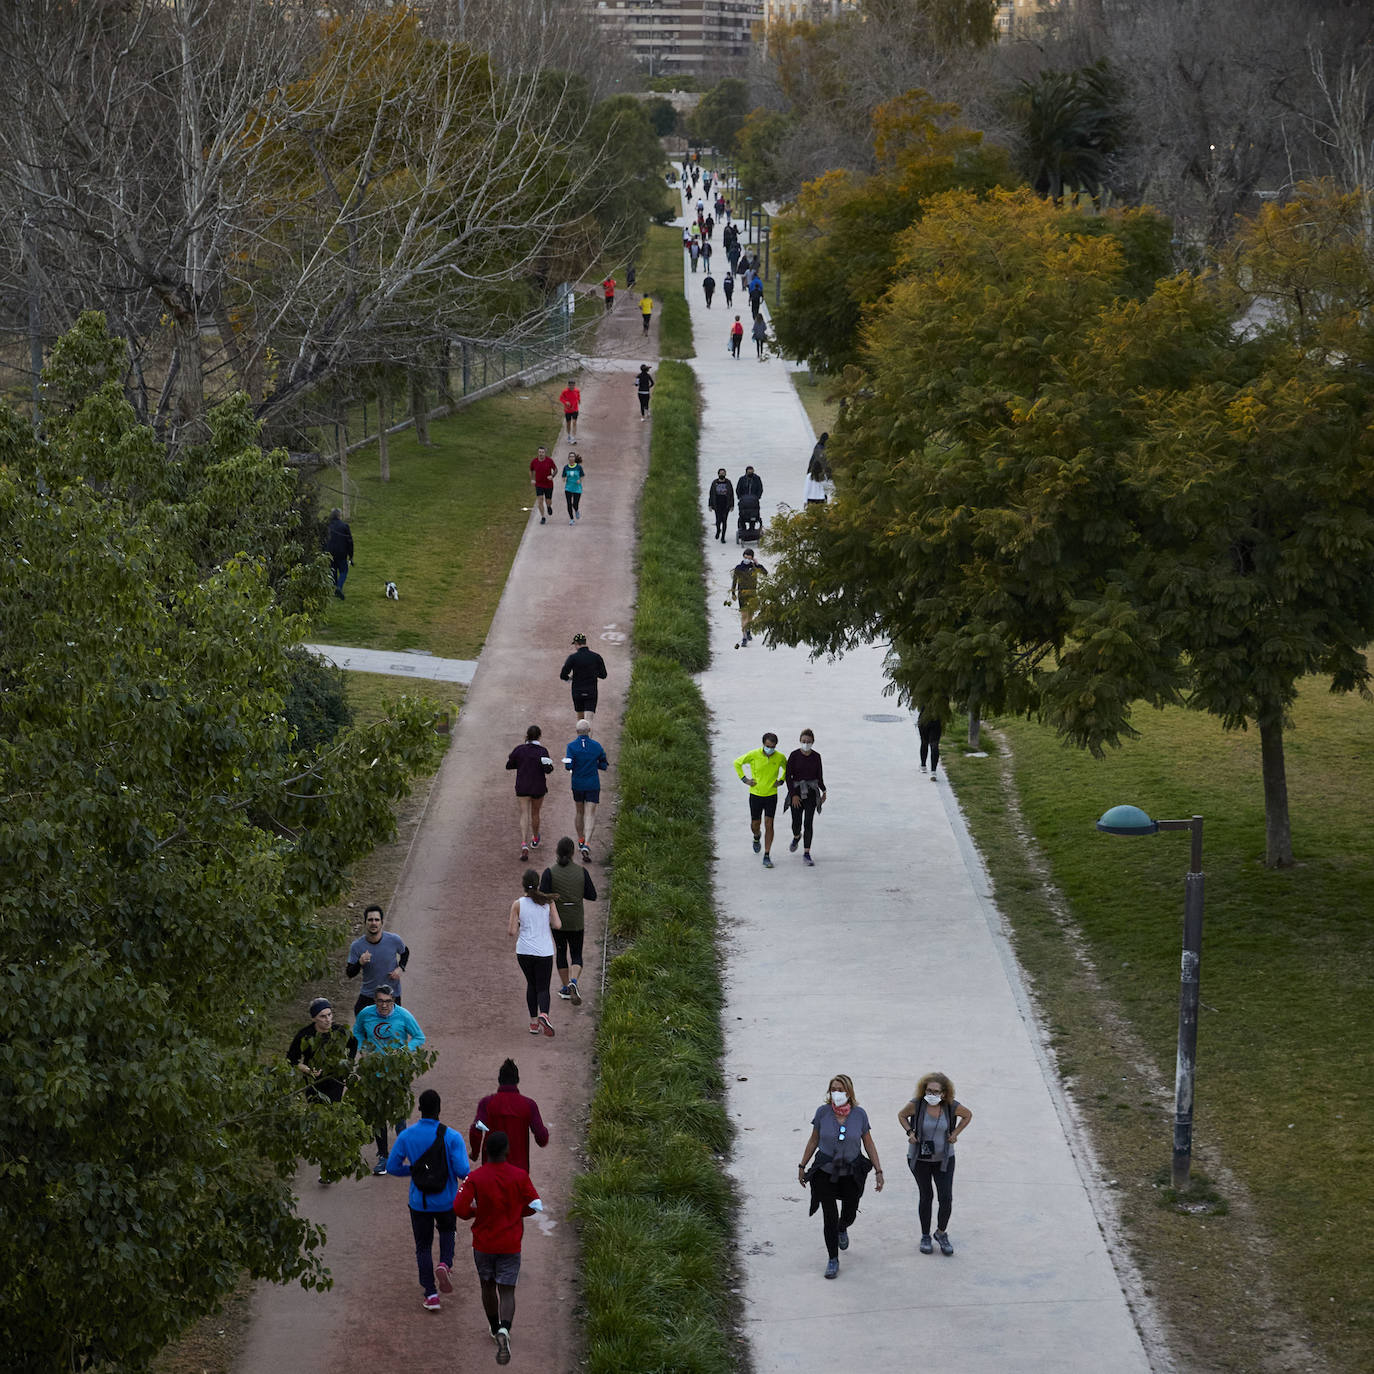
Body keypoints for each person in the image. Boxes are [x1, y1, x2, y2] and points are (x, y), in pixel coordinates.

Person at [453, 1129, 542, 1365]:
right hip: (510, 1243)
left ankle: (493, 1327)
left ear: (486, 1152)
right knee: (507, 1290)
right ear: (507, 1151)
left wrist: (476, 1212)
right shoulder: (520, 1176)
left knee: (487, 1285)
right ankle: (505, 1329)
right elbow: (534, 1205)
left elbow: (460, 1208)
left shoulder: (475, 1178)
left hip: (483, 1243)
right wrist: (516, 1212)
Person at [388, 1088, 471, 1311]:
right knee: (447, 1231)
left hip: (419, 1201)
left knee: (423, 1247)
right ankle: (445, 1263)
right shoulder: (452, 1136)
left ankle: (431, 1294)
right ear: (439, 1109)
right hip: (446, 1200)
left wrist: (414, 1171)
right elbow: (463, 1170)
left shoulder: (406, 1136)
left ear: (420, 1109)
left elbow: (391, 1167)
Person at [798, 1074, 884, 1279]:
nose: (836, 1093)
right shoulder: (822, 1113)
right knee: (829, 1216)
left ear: (849, 1092)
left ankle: (843, 1227)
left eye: (841, 1089)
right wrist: (802, 1165)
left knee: (849, 1212)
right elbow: (813, 1140)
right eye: (833, 1089)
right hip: (825, 1172)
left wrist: (879, 1171)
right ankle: (832, 1259)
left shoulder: (859, 1115)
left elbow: (868, 1143)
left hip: (850, 1172)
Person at [350, 985, 426, 1173]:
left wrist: (403, 1051)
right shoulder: (366, 1014)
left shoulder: (403, 1015)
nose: (384, 1006)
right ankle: (383, 1156)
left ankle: (404, 1154)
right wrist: (362, 1047)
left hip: (397, 1074)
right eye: (380, 1001)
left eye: (388, 1001)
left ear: (393, 1001)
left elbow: (419, 1037)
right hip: (373, 1073)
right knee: (378, 1115)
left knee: (399, 1116)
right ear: (374, 1001)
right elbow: (357, 1031)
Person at [898, 1072, 973, 1256]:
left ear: (944, 1093)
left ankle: (941, 1232)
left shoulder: (950, 1107)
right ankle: (925, 1236)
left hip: (944, 1159)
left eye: (936, 1092)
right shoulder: (916, 1104)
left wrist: (955, 1134)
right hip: (919, 1159)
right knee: (926, 1196)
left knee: (946, 1197)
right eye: (929, 1090)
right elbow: (901, 1116)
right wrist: (910, 1133)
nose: (932, 1094)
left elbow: (968, 1115)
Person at [541, 836, 598, 1003]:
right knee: (576, 954)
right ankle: (574, 981)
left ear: (557, 852)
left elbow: (543, 897)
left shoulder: (549, 872)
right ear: (573, 853)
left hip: (558, 921)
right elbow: (592, 895)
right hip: (576, 921)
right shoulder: (582, 872)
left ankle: (566, 987)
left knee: (561, 953)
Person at [469, 1059, 550, 1172]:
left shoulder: (486, 1103)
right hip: (519, 1171)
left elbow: (476, 1130)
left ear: (499, 1080)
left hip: (491, 1169)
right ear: (517, 1080)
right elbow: (542, 1139)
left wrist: (475, 1153)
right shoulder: (529, 1105)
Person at [509, 869, 561, 1037]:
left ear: (523, 884)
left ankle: (533, 1023)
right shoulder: (548, 902)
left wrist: (519, 921)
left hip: (524, 951)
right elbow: (558, 925)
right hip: (544, 951)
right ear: (538, 883)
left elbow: (511, 931)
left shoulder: (517, 904)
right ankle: (544, 1014)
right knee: (543, 987)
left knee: (531, 985)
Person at [733, 730, 786, 867]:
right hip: (756, 795)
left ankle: (767, 854)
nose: (770, 749)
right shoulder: (753, 754)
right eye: (768, 746)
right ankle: (756, 837)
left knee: (769, 824)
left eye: (773, 747)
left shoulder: (780, 757)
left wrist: (781, 781)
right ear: (763, 744)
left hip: (771, 795)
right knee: (755, 824)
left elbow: (788, 769)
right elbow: (737, 763)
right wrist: (744, 779)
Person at [346, 903, 410, 1014]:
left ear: (382, 922)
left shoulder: (394, 940)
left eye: (377, 920)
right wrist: (359, 962)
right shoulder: (357, 946)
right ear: (365, 922)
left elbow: (405, 952)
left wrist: (400, 968)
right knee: (360, 1016)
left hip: (391, 995)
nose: (373, 923)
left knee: (392, 1028)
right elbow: (350, 973)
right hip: (369, 995)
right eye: (370, 920)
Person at [286, 997, 350, 1106]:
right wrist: (308, 1070)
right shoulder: (304, 1035)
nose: (328, 1019)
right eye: (323, 1016)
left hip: (335, 1079)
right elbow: (291, 1059)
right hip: (314, 1081)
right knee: (317, 1112)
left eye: (329, 1014)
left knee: (333, 1110)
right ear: (314, 1018)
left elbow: (351, 1050)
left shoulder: (340, 1031)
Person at [505, 725, 554, 861]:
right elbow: (548, 770)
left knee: (524, 814)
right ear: (539, 736)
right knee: (535, 813)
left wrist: (520, 764)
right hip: (538, 787)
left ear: (526, 735)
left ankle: (524, 843)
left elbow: (509, 765)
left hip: (522, 786)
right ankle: (535, 837)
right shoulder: (543, 751)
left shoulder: (519, 750)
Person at [562, 719, 609, 857]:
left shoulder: (571, 746)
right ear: (589, 731)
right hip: (593, 784)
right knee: (590, 814)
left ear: (577, 732)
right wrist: (595, 765)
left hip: (577, 784)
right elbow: (604, 764)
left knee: (579, 812)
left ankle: (581, 840)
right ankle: (587, 844)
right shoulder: (597, 746)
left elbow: (568, 766)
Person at [784, 729, 827, 866]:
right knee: (796, 822)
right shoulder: (794, 755)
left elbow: (819, 776)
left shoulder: (816, 757)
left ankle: (807, 852)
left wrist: (824, 791)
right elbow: (788, 777)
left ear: (813, 742)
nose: (806, 744)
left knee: (808, 822)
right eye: (804, 741)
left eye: (808, 742)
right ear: (800, 741)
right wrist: (793, 795)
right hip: (796, 792)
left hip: (811, 793)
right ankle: (797, 836)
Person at [559, 633, 608, 722]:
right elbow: (604, 675)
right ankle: (589, 735)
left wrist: (569, 678)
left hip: (577, 692)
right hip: (591, 691)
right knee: (589, 720)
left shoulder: (573, 658)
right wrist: (593, 673)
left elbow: (563, 675)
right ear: (585, 642)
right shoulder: (596, 657)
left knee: (580, 721)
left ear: (577, 644)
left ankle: (581, 736)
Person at [729, 546, 767, 649]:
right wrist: (733, 592)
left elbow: (765, 573)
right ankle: (744, 637)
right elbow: (734, 581)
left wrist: (757, 564)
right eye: (745, 557)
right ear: (743, 557)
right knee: (744, 616)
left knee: (750, 615)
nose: (747, 559)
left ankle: (748, 629)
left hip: (753, 594)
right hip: (742, 594)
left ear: (752, 558)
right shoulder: (738, 568)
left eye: (749, 558)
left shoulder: (755, 567)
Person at [325, 507, 353, 599]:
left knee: (333, 570)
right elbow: (349, 541)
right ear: (339, 516)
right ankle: (339, 587)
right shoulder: (344, 526)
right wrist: (351, 556)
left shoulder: (327, 526)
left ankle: (335, 589)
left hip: (330, 552)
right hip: (341, 553)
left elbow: (323, 540)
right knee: (344, 571)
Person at [529, 445, 557, 525]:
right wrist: (532, 479)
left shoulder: (549, 461)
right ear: (538, 452)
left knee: (548, 501)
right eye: (539, 452)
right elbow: (531, 470)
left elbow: (555, 469)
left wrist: (552, 476)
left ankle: (548, 506)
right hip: (539, 484)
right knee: (540, 500)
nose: (541, 454)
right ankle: (543, 517)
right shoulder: (534, 461)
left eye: (542, 452)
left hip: (548, 484)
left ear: (545, 453)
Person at [707, 466, 735, 542]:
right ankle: (718, 530)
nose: (722, 474)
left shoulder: (728, 482)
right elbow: (711, 494)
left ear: (725, 474)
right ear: (718, 474)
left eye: (723, 473)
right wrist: (710, 504)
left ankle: (723, 537)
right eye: (721, 473)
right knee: (718, 520)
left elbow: (731, 494)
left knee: (724, 521)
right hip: (717, 504)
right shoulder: (714, 482)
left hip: (726, 504)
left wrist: (732, 505)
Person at [805, 432, 831, 505]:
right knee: (819, 489)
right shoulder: (823, 449)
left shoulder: (817, 446)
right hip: (818, 470)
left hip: (812, 470)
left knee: (813, 488)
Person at [918, 708, 943, 780]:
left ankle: (923, 766)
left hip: (924, 717)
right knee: (934, 744)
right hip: (936, 719)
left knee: (924, 742)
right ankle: (933, 772)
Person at [561, 451, 585, 525]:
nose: (571, 458)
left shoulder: (578, 467)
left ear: (574, 458)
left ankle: (576, 510)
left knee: (575, 504)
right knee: (569, 504)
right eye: (570, 457)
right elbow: (563, 476)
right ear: (568, 458)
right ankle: (571, 519)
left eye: (573, 457)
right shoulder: (566, 467)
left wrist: (579, 480)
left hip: (577, 488)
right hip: (568, 488)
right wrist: (564, 479)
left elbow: (582, 475)